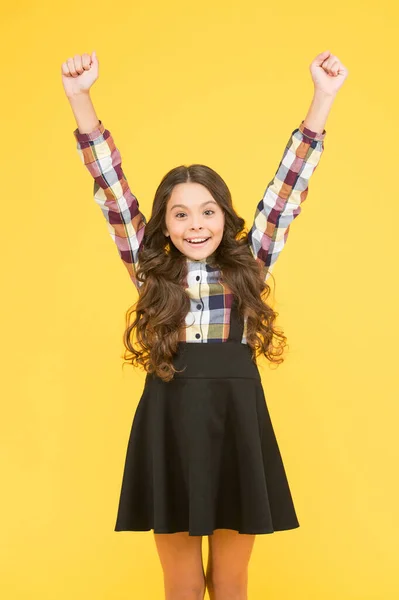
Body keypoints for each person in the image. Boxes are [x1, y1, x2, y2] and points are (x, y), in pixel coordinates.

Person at [61, 49, 348, 600]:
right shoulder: (150, 271)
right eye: (181, 213)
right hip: (170, 419)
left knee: (233, 581)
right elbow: (114, 195)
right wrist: (81, 99)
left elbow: (287, 193)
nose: (196, 225)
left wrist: (323, 97)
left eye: (208, 211)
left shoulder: (250, 262)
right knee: (183, 583)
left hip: (238, 420)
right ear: (164, 225)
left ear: (225, 215)